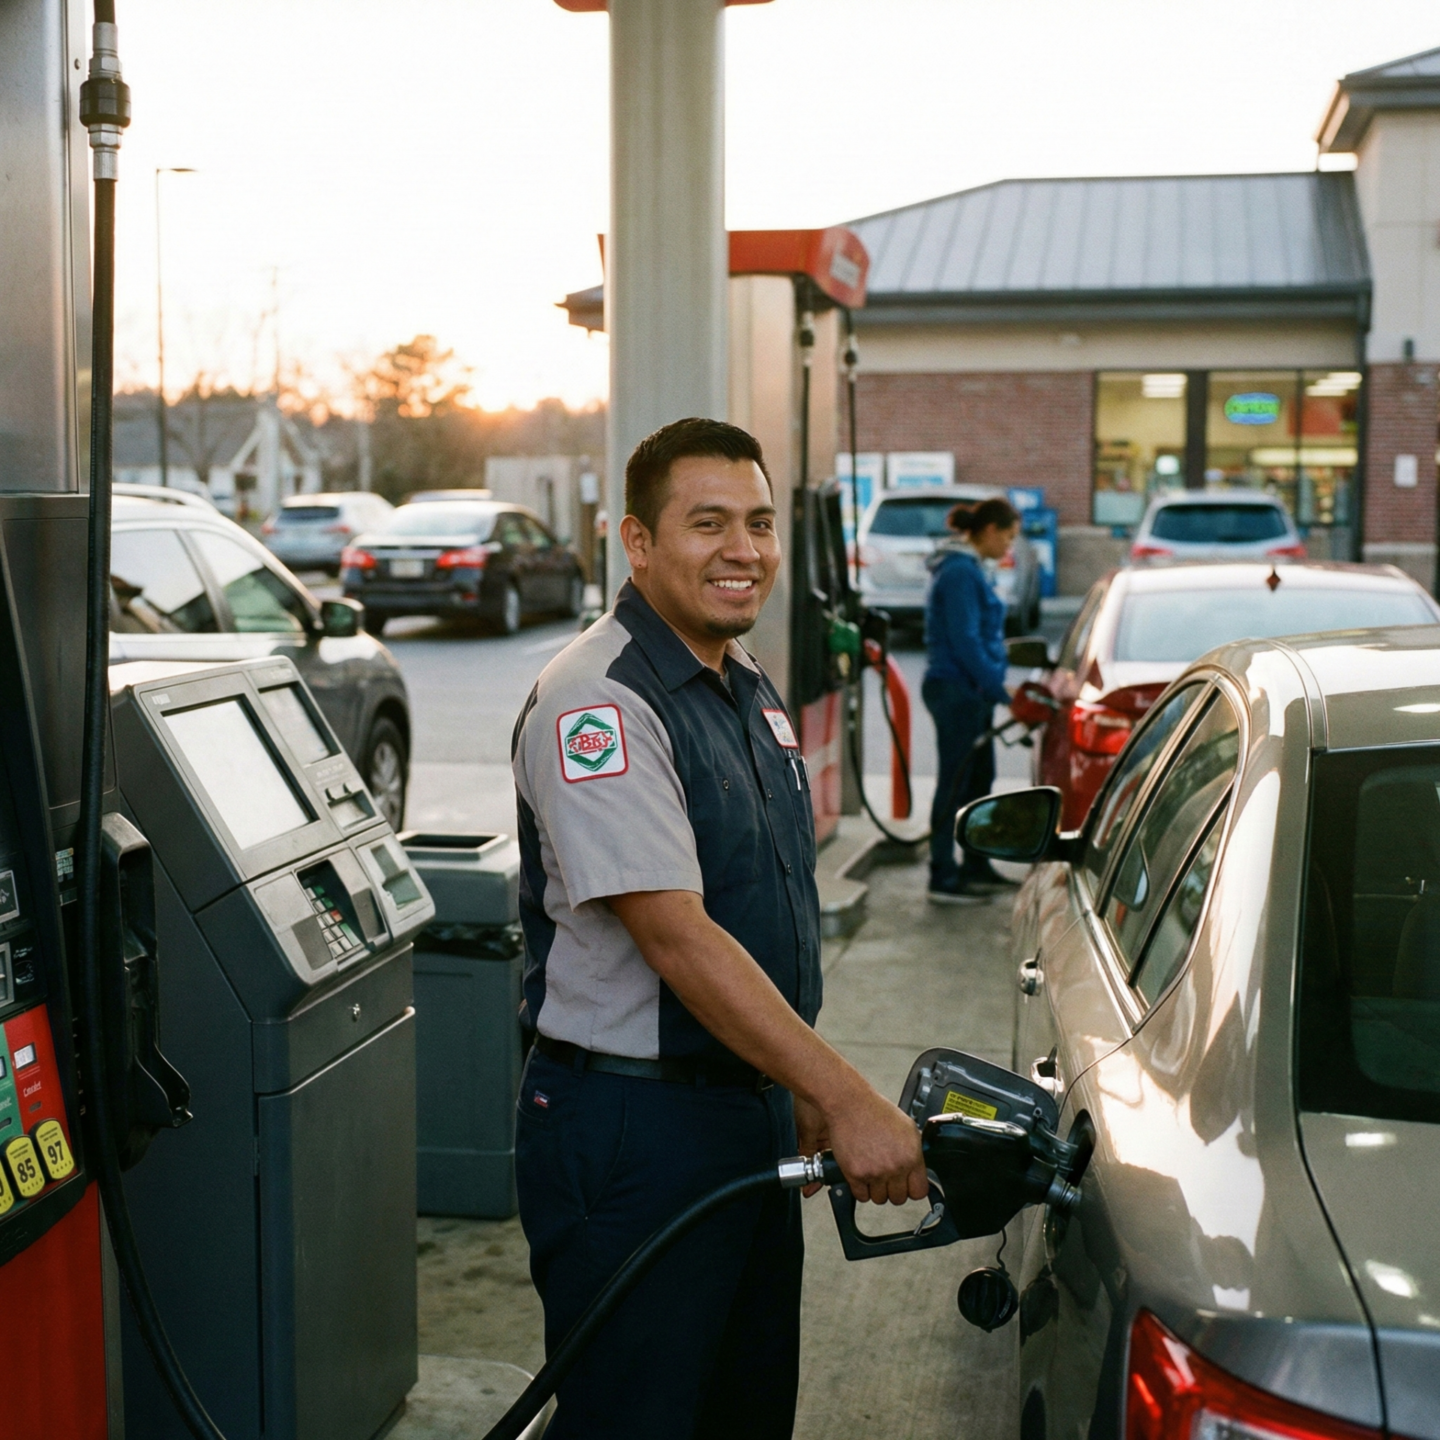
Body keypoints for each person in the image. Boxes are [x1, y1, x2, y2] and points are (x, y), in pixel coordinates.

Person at [510, 417, 928, 1440]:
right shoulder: (597, 704)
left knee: (740, 1409)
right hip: (631, 1131)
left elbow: (764, 901)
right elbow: (678, 937)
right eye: (708, 524)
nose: (743, 550)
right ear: (637, 542)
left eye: (759, 522)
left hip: (739, 1112)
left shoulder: (741, 687)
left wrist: (790, 1090)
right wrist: (848, 1095)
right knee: (639, 1418)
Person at [922, 496, 1021, 904]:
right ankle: (943, 875)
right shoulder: (960, 572)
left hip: (971, 692)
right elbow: (966, 641)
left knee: (980, 782)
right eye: (1009, 538)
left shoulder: (971, 569)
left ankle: (975, 864)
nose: (1009, 547)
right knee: (955, 783)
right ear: (991, 530)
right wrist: (1002, 691)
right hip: (955, 690)